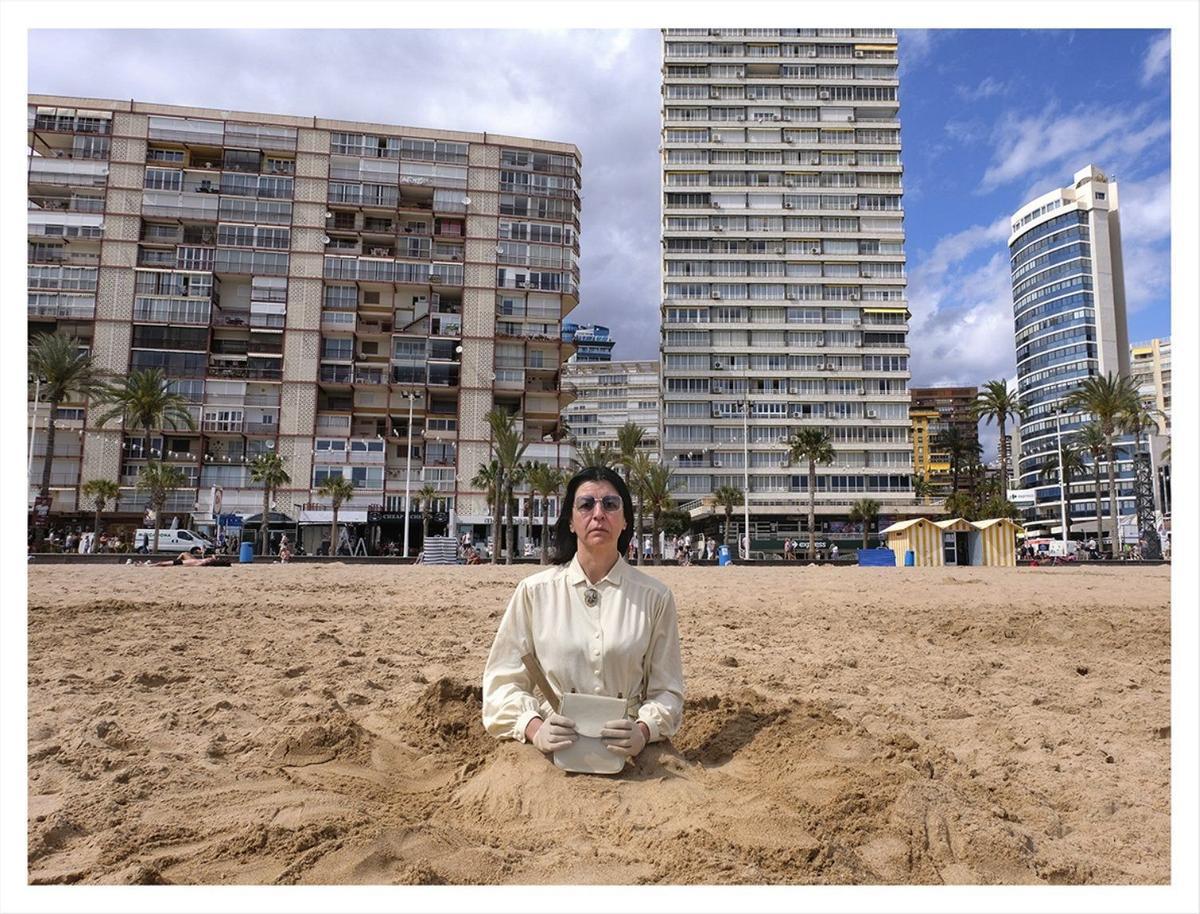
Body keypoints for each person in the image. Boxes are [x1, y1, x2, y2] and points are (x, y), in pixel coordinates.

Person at [482, 466, 684, 765]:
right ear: (571, 521)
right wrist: (535, 728)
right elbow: (501, 682)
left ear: (625, 518)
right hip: (551, 750)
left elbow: (668, 690)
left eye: (611, 504)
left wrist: (643, 730)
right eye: (586, 504)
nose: (598, 513)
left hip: (629, 754)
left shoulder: (655, 597)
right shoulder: (534, 592)